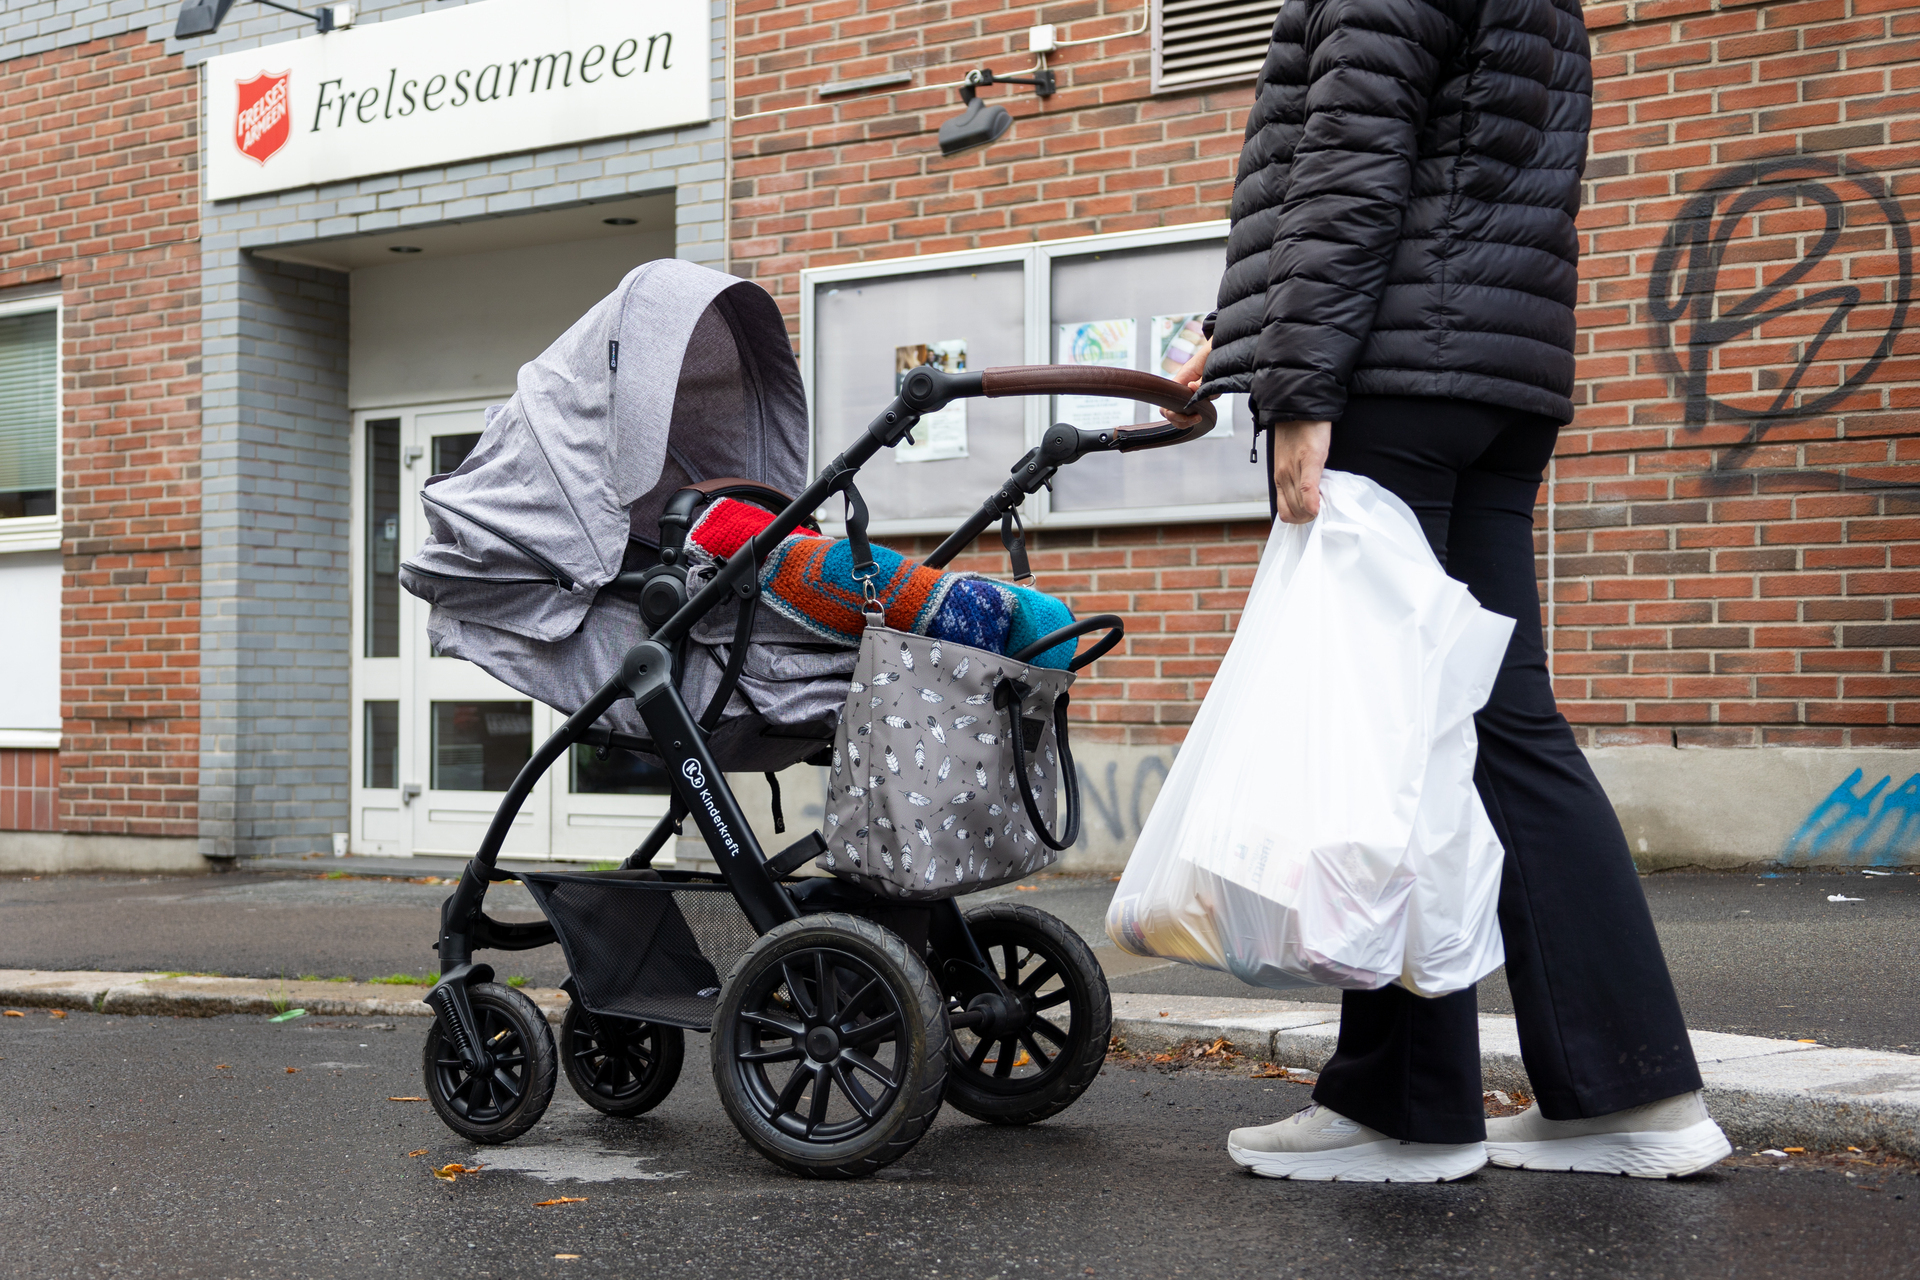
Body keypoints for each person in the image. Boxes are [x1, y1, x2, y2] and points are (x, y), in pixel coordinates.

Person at [1164, 0, 1732, 1182]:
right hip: (1497, 380)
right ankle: (1633, 1090)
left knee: (1383, 734)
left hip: (1390, 381)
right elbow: (1448, 161)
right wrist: (1241, 329)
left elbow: (1355, 156)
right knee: (1505, 729)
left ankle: (1404, 1107)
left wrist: (1301, 375)